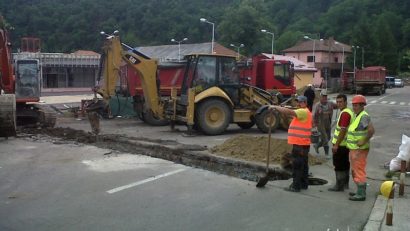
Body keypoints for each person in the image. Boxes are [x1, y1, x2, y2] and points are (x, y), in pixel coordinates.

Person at [270, 95, 312, 192]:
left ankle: (296, 186)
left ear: (305, 103)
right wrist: (281, 109)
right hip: (303, 144)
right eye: (297, 102)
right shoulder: (306, 113)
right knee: (304, 165)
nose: (298, 104)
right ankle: (303, 184)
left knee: (297, 165)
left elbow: (290, 112)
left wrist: (275, 107)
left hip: (299, 144)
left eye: (300, 102)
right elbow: (289, 114)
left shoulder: (303, 111)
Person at [346, 95, 375, 201]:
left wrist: (363, 140)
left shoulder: (363, 116)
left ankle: (361, 193)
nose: (354, 107)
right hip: (355, 149)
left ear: (362, 105)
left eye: (357, 105)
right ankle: (359, 190)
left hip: (359, 150)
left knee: (359, 171)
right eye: (353, 105)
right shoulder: (357, 115)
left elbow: (371, 130)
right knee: (355, 170)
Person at [328, 94, 353, 192]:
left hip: (341, 145)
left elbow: (342, 130)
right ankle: (345, 184)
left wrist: (336, 145)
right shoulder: (347, 112)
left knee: (338, 165)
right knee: (345, 164)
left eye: (341, 102)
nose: (338, 104)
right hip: (345, 145)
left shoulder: (345, 113)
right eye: (337, 102)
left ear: (346, 102)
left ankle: (339, 185)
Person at [312, 89, 336, 156]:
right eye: (323, 96)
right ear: (320, 96)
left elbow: (337, 106)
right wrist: (314, 125)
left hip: (328, 123)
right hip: (320, 124)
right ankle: (326, 154)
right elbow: (314, 116)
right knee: (325, 138)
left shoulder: (330, 103)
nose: (325, 97)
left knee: (328, 138)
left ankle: (317, 145)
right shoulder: (317, 105)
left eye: (325, 96)